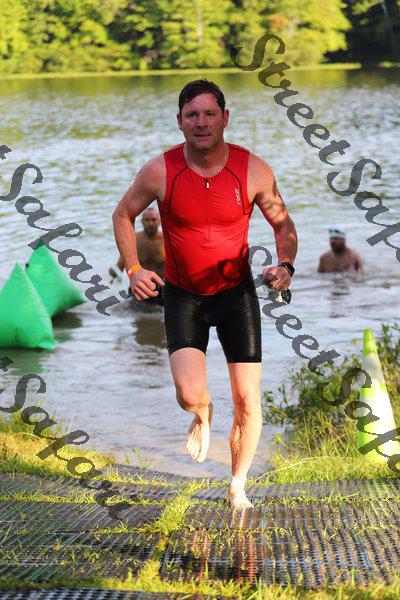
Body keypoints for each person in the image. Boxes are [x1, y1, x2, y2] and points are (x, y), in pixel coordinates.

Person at [112, 79, 297, 509]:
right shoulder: (160, 170)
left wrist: (285, 265)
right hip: (184, 296)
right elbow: (123, 214)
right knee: (189, 394)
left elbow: (283, 224)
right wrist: (134, 268)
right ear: (179, 122)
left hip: (236, 296)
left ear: (224, 118)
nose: (201, 122)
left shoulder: (253, 170)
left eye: (209, 114)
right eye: (192, 115)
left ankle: (237, 485)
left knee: (248, 400)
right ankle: (202, 412)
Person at [110, 207, 165, 305]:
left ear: (159, 221)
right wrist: (113, 273)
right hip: (138, 288)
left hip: (162, 290)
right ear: (142, 221)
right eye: (147, 220)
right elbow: (120, 266)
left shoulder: (166, 240)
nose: (150, 223)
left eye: (153, 220)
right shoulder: (134, 239)